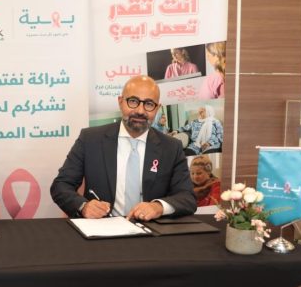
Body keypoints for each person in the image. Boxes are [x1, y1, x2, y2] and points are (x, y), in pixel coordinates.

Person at [51, 76, 196, 221]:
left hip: (152, 230)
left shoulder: (171, 147)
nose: (140, 111)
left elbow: (187, 197)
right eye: (133, 101)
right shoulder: (90, 139)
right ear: (120, 102)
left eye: (149, 104)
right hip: (102, 227)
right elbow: (61, 185)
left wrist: (158, 207)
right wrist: (83, 206)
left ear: (157, 108)